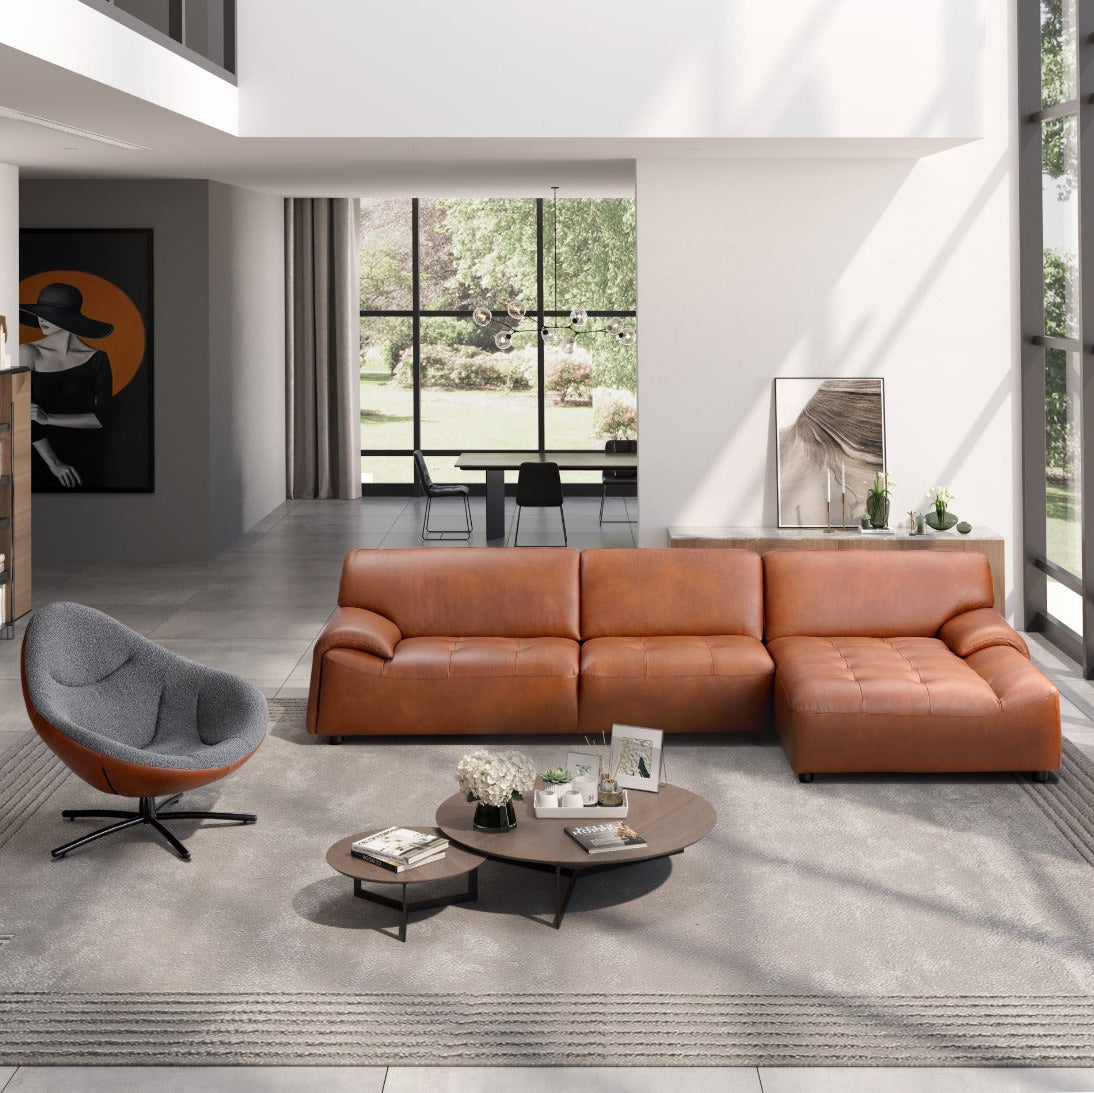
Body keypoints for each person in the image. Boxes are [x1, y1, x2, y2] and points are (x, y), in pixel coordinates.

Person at [19, 283, 114, 490]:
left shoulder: (97, 359)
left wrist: (48, 418)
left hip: (86, 455)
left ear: (70, 318)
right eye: (40, 313)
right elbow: (21, 415)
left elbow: (103, 418)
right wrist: (53, 463)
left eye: (50, 314)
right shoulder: (27, 352)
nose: (42, 319)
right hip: (40, 455)